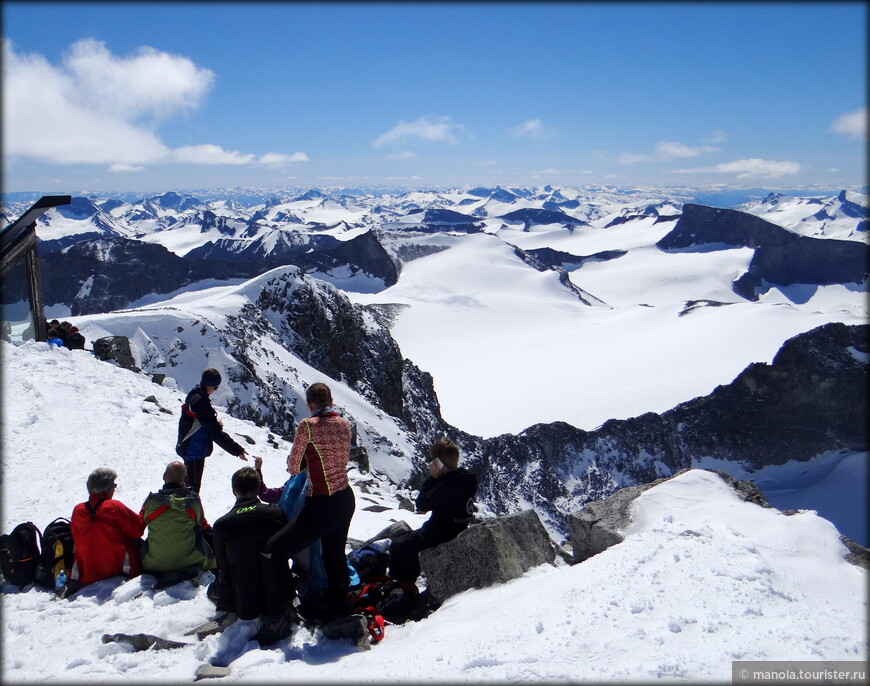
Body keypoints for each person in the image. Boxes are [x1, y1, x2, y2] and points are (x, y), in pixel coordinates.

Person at [261, 382, 356, 622]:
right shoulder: (345, 424)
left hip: (321, 503)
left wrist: (304, 461)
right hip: (345, 497)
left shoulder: (308, 426)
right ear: (331, 401)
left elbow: (294, 467)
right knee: (334, 555)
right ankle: (338, 609)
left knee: (275, 550)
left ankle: (282, 609)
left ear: (309, 404)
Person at [211, 466, 294, 644]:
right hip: (278, 596)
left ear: (234, 490)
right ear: (257, 488)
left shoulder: (222, 525)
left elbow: (223, 567)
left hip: (244, 603)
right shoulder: (275, 514)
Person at [388, 438, 478, 584]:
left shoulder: (443, 487)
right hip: (459, 529)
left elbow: (421, 504)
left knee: (399, 545)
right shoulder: (469, 479)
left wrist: (433, 478)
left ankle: (403, 586)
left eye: (432, 461)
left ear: (438, 463)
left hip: (438, 535)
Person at [139, 461, 216, 583]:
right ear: (185, 478)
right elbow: (203, 525)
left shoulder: (151, 502)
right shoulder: (193, 502)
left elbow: (137, 528)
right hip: (189, 561)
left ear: (164, 476)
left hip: (152, 563)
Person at [70, 468, 147, 587]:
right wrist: (145, 508)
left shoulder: (78, 510)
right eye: (114, 486)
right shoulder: (113, 506)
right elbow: (137, 530)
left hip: (87, 573)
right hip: (119, 571)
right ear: (106, 489)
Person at [176, 368, 248, 492]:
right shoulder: (200, 402)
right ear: (209, 385)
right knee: (192, 490)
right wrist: (237, 450)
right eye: (215, 387)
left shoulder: (196, 395)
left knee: (189, 487)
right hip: (194, 449)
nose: (216, 390)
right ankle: (189, 510)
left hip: (191, 448)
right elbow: (214, 432)